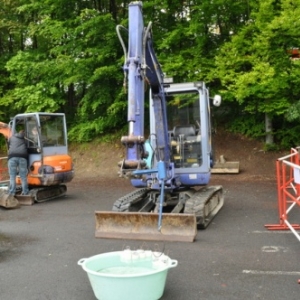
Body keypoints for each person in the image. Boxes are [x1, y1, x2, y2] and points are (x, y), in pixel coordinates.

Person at [7, 130, 29, 196]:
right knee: (23, 176)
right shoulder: (26, 139)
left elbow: (9, 145)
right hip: (23, 157)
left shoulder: (12, 138)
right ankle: (25, 191)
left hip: (12, 157)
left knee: (12, 176)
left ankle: (12, 192)